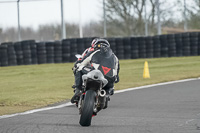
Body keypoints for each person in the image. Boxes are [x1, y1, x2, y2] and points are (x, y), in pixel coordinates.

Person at [71, 38, 120, 103]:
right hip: (109, 78)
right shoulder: (114, 56)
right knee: (111, 86)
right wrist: (115, 79)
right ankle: (106, 94)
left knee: (79, 68)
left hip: (95, 73)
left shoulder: (93, 52)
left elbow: (82, 61)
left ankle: (78, 90)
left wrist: (77, 66)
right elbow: (117, 72)